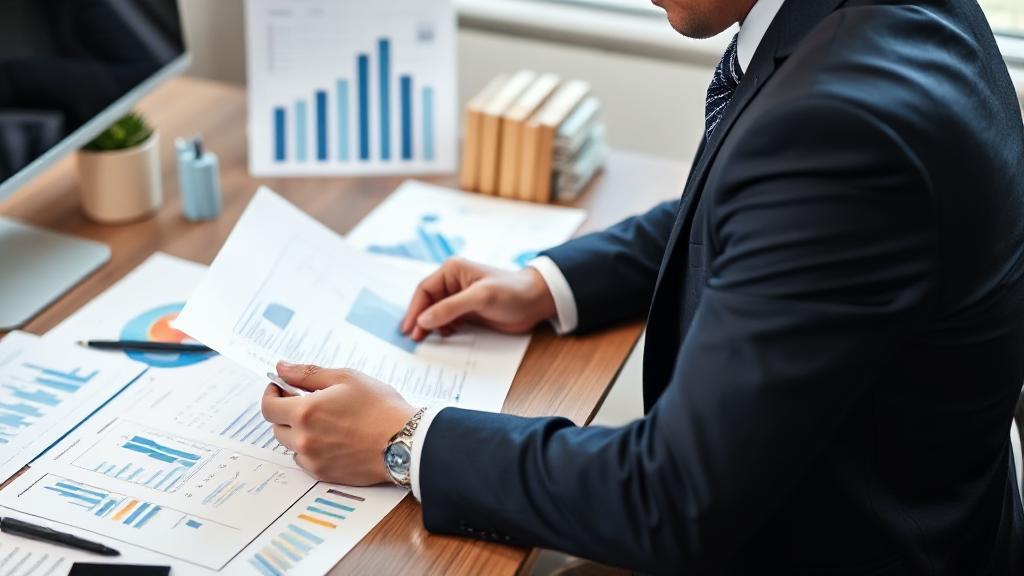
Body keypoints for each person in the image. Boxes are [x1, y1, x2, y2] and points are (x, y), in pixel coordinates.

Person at [261, 0, 1024, 572]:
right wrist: (548, 283)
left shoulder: (838, 127)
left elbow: (670, 501)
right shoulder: (863, 32)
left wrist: (405, 441)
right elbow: (751, 205)